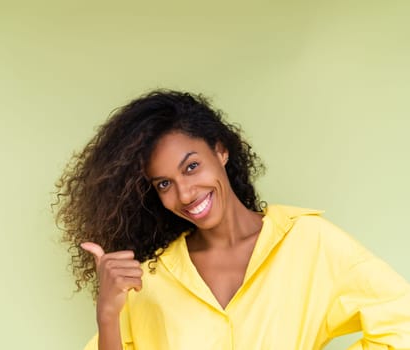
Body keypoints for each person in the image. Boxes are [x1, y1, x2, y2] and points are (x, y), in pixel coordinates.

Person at [54, 90, 410, 350]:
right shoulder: (151, 277)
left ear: (221, 151)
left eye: (191, 167)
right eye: (165, 184)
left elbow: (401, 324)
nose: (186, 194)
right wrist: (107, 314)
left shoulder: (308, 242)